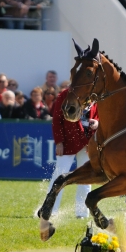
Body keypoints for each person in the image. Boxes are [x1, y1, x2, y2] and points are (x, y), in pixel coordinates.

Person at [47, 88, 99, 217]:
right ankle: (49, 210)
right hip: (68, 143)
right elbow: (57, 119)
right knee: (59, 175)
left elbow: (100, 116)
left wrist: (98, 123)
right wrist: (59, 142)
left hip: (88, 142)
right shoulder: (65, 94)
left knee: (86, 178)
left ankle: (82, 212)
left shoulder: (95, 95)